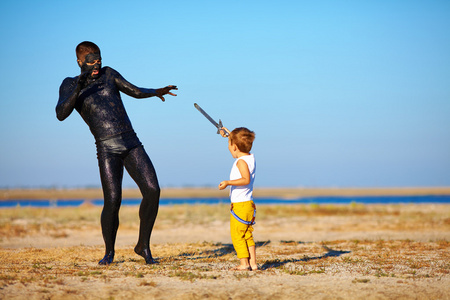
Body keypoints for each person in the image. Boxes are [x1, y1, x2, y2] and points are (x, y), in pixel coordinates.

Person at [56, 41, 177, 265]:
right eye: (91, 60)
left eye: (98, 59)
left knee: (153, 190)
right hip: (107, 147)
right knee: (113, 200)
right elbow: (61, 113)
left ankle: (143, 246)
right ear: (79, 62)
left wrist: (156, 91)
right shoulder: (70, 84)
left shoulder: (109, 74)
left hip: (131, 142)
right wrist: (79, 84)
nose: (96, 64)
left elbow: (135, 91)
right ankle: (109, 252)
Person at [218, 127, 257, 271]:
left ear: (234, 147)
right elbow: (238, 141)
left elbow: (245, 179)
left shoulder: (241, 162)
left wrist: (228, 182)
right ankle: (253, 263)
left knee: (237, 235)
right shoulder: (250, 158)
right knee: (247, 234)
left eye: (229, 145)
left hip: (240, 205)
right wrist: (229, 135)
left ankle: (244, 264)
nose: (228, 147)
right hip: (248, 204)